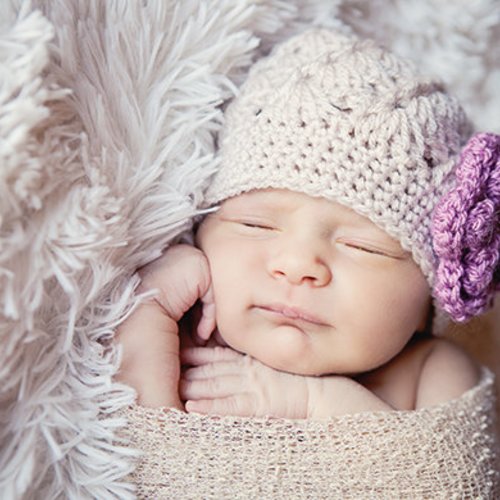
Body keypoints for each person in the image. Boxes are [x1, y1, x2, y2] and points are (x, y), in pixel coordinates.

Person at [115, 29, 500, 496]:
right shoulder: (189, 342)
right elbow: (140, 464)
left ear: (428, 294)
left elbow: (454, 487)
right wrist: (148, 311)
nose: (298, 264)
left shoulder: (430, 371)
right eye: (255, 224)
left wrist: (315, 403)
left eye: (364, 246)